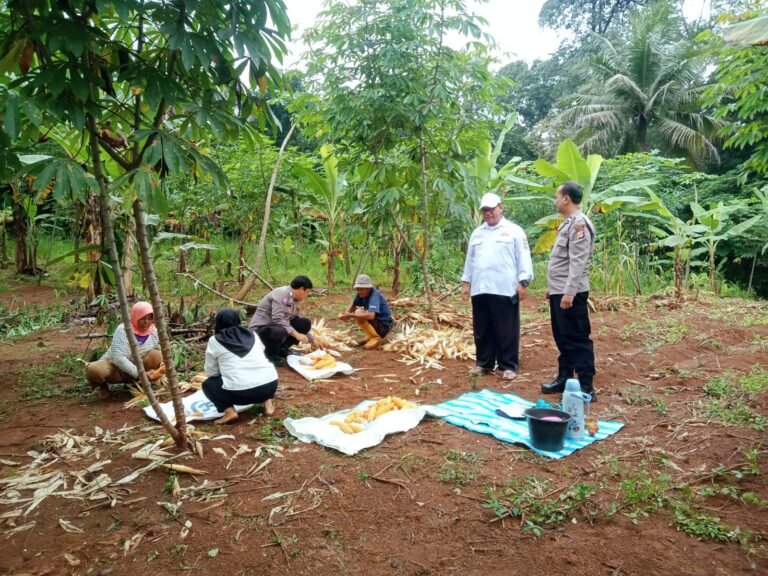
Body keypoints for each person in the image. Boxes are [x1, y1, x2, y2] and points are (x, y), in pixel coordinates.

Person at [461, 192, 533, 380]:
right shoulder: (477, 233)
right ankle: (484, 363)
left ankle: (508, 365)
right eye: (485, 210)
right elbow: (470, 260)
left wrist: (523, 282)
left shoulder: (514, 231)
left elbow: (523, 257)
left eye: (491, 209)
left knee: (506, 329)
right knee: (482, 328)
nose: (488, 213)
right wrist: (466, 282)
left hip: (504, 288)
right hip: (481, 288)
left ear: (500, 207)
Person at [541, 181, 597, 399]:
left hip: (571, 292)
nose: (555, 200)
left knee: (577, 337)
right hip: (560, 290)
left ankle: (585, 385)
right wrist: (554, 289)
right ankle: (565, 377)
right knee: (562, 336)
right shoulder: (568, 223)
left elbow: (578, 261)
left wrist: (569, 292)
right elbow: (562, 262)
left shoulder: (579, 225)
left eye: (557, 196)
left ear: (566, 198)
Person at [202, 308, 278, 425]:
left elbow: (212, 372)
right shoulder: (252, 334)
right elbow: (261, 352)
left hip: (241, 395)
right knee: (261, 372)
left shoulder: (214, 340)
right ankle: (268, 403)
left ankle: (229, 412)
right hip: (270, 385)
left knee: (208, 385)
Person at [86, 301, 163, 400]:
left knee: (156, 355)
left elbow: (158, 348)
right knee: (94, 370)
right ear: (135, 317)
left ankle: (139, 384)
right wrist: (141, 374)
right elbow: (118, 358)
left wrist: (162, 366)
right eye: (142, 318)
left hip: (140, 365)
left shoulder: (153, 332)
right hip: (116, 369)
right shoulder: (123, 330)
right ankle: (103, 386)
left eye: (150, 318)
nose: (146, 322)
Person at [248, 275, 315, 366]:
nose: (307, 295)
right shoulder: (281, 293)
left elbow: (294, 319)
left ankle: (282, 350)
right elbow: (278, 319)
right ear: (301, 289)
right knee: (280, 330)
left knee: (304, 323)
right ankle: (269, 354)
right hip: (260, 330)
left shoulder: (294, 300)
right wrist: (297, 334)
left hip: (274, 328)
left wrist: (312, 339)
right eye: (307, 292)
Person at [338, 274, 394, 350]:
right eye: (358, 289)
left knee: (358, 312)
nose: (359, 291)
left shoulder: (374, 295)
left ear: (368, 288)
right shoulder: (361, 293)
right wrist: (346, 314)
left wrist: (351, 315)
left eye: (361, 289)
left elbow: (371, 316)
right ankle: (371, 335)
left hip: (384, 327)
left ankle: (376, 337)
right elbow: (353, 304)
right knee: (358, 311)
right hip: (377, 323)